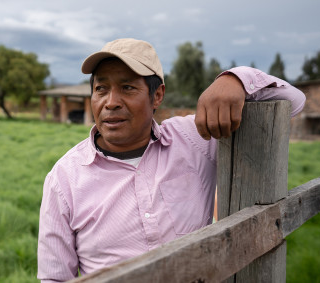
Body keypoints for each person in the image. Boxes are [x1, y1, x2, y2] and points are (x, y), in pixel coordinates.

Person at [37, 38, 305, 282]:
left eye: (127, 87)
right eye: (101, 89)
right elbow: (54, 277)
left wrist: (235, 80)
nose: (111, 102)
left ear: (157, 95)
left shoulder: (193, 139)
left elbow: (294, 101)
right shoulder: (64, 178)